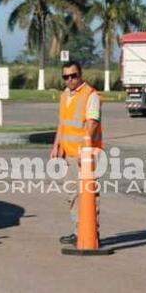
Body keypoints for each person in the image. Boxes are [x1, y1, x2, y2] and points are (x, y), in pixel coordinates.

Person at [50, 61, 103, 245]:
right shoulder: (65, 95)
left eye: (74, 76)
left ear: (81, 75)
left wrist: (84, 150)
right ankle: (78, 230)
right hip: (68, 154)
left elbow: (93, 123)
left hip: (85, 156)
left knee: (88, 195)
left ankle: (91, 234)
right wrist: (56, 145)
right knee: (72, 195)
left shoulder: (91, 95)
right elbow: (62, 123)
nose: (70, 80)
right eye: (66, 77)